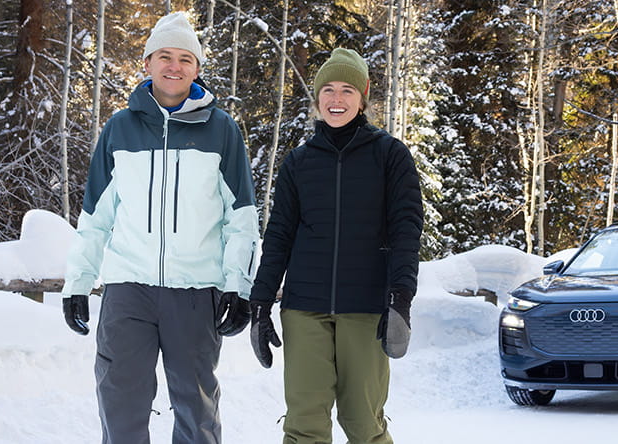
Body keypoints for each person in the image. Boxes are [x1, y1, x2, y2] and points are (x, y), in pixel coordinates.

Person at [60, 11, 257, 444]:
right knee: (120, 400)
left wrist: (238, 286)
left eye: (185, 58)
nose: (174, 66)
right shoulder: (120, 128)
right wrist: (78, 281)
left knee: (196, 408)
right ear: (148, 63)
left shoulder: (221, 130)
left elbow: (241, 220)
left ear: (198, 69)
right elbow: (95, 217)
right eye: (165, 56)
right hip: (128, 289)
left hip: (195, 291)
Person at [249, 48, 424, 444]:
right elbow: (279, 235)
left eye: (347, 90)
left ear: (363, 97)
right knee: (304, 424)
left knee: (364, 422)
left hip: (365, 308)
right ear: (317, 98)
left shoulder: (391, 156)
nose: (336, 99)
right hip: (304, 309)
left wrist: (401, 298)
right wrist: (260, 302)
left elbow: (405, 230)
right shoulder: (298, 162)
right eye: (327, 89)